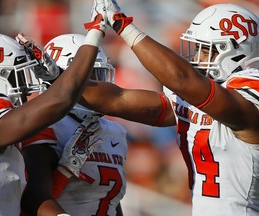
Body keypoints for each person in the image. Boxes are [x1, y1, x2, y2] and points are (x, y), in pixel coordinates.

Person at [82, 1, 259, 216]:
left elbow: (182, 79)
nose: (196, 58)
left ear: (235, 52)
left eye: (205, 50)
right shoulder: (206, 96)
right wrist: (58, 80)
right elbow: (116, 99)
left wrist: (123, 26)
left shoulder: (249, 91)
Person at [0, 7, 106, 215]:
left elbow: (20, 202)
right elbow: (61, 99)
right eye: (19, 78)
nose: (26, 89)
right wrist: (96, 31)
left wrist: (64, 171)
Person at [20, 33, 128, 216]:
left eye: (99, 77)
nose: (98, 88)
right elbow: (32, 198)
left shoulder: (115, 132)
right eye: (89, 80)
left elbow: (111, 201)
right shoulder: (45, 126)